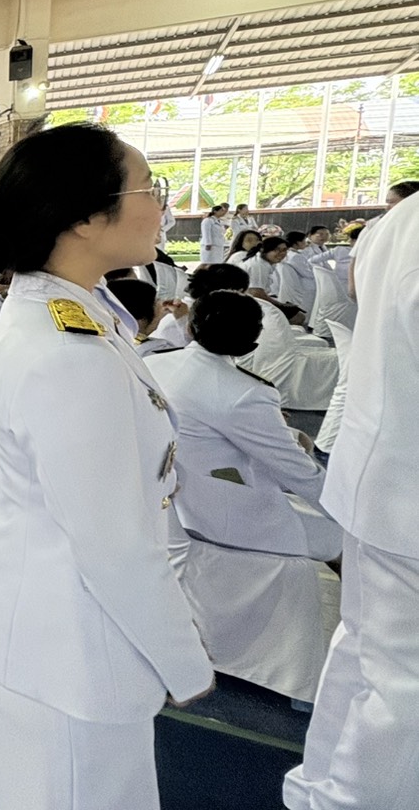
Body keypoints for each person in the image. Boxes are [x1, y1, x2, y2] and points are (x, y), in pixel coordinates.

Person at [0, 123, 214, 810]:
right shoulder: (71, 349)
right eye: (149, 188)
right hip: (70, 649)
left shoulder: (79, 309)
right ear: (88, 218)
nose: (161, 204)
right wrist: (185, 662)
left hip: (50, 626)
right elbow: (114, 542)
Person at [284, 194, 419, 810]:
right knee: (402, 689)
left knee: (364, 651)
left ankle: (320, 786)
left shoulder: (401, 221)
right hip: (404, 489)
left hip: (380, 474)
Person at [145, 291, 338, 561]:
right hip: (226, 515)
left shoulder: (151, 363)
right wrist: (349, 513)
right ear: (253, 340)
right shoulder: (246, 393)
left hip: (168, 505)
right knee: (341, 540)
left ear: (190, 327)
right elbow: (296, 470)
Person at [106, 278, 179, 357]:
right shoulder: (154, 352)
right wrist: (182, 320)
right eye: (155, 304)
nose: (161, 309)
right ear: (140, 320)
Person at [275, 231, 318, 311]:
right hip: (302, 287)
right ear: (297, 243)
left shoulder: (288, 254)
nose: (306, 243)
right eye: (304, 241)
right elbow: (308, 274)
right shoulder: (295, 257)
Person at [239, 235, 288, 302]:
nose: (281, 253)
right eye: (277, 250)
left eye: (284, 250)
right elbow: (256, 293)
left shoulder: (266, 263)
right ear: (264, 250)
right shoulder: (258, 265)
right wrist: (281, 305)